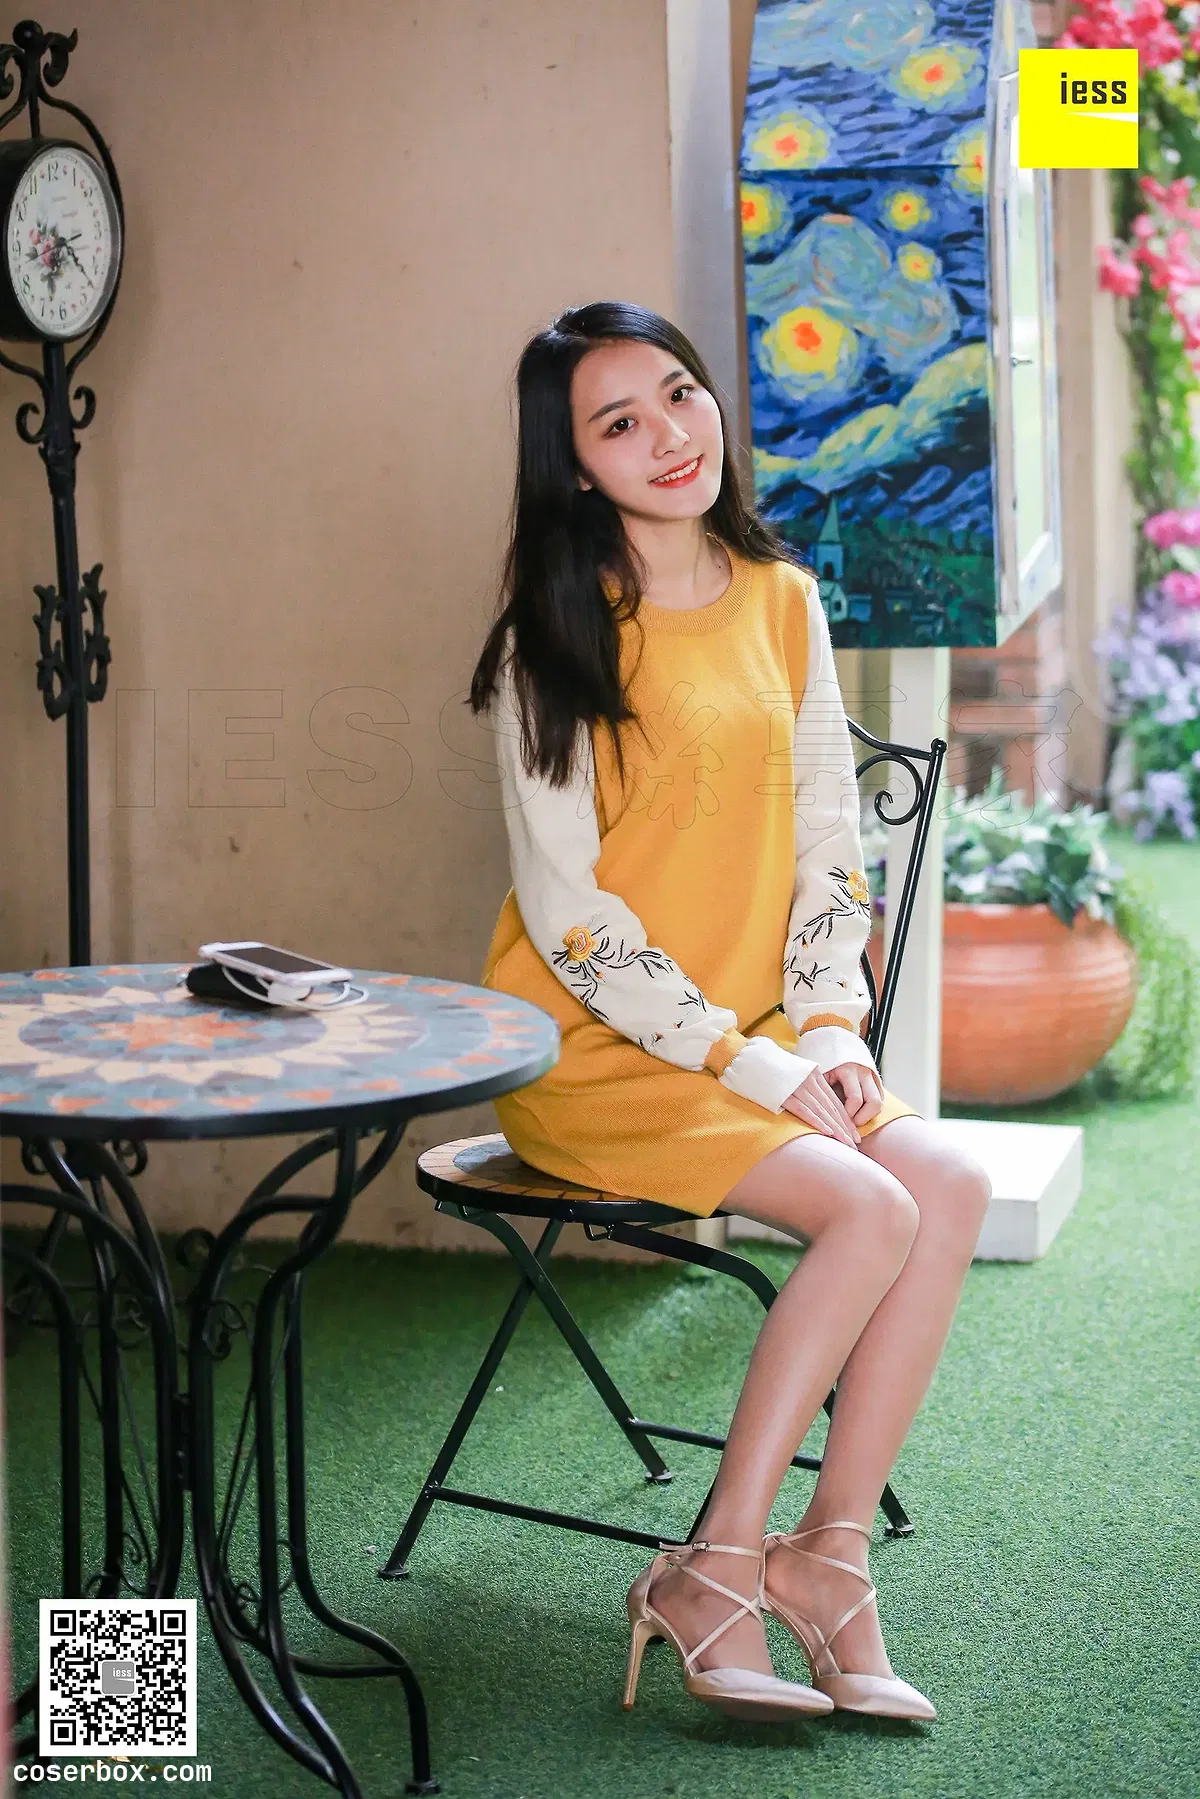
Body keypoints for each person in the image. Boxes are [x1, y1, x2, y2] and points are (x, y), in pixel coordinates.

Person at [468, 301, 991, 1726]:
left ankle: (827, 1558)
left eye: (679, 394)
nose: (667, 436)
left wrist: (826, 1033)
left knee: (946, 1182)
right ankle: (714, 1565)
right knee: (869, 1209)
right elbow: (572, 916)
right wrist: (750, 1060)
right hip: (602, 1050)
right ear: (574, 464)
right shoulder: (552, 639)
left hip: (763, 1034)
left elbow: (831, 846)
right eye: (618, 422)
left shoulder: (782, 600)